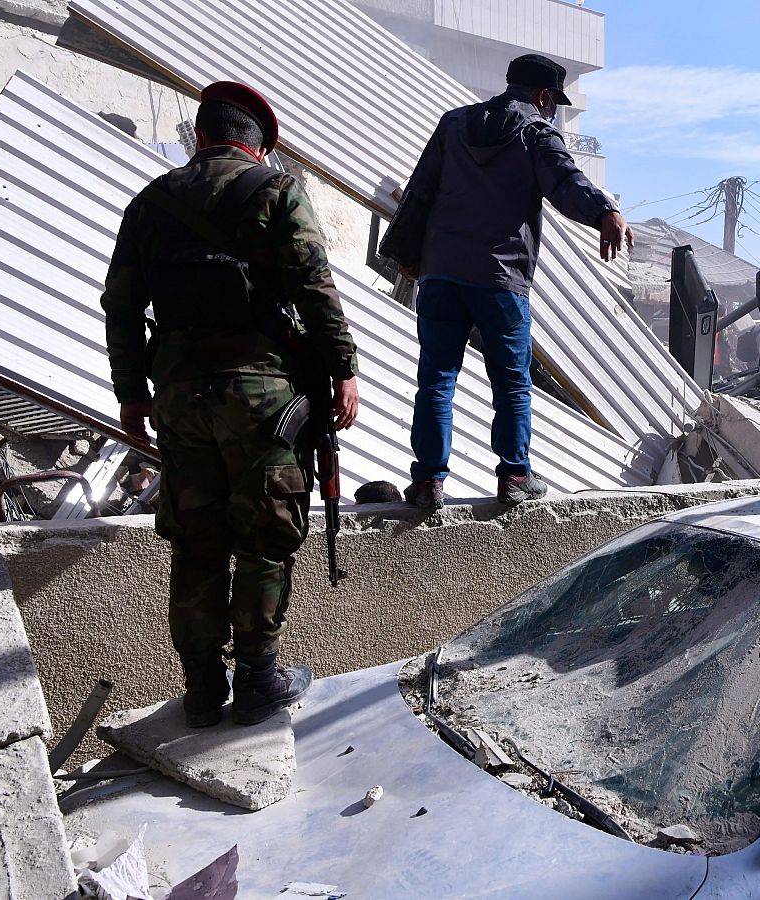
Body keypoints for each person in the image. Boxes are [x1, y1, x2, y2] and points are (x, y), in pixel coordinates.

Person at [102, 82, 361, 727]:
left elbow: (123, 307)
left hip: (182, 400)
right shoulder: (275, 191)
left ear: (199, 137)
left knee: (195, 541)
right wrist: (344, 371)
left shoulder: (149, 204)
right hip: (263, 397)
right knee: (264, 538)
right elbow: (315, 290)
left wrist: (132, 392)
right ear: (258, 146)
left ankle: (200, 690)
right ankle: (257, 681)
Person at [379, 53, 632, 510]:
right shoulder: (535, 131)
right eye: (553, 101)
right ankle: (515, 476)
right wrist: (603, 211)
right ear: (542, 95)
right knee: (512, 381)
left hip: (441, 273)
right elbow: (565, 182)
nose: (552, 109)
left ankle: (428, 483)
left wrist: (407, 255)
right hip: (501, 278)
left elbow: (419, 189)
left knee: (436, 377)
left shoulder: (453, 124)